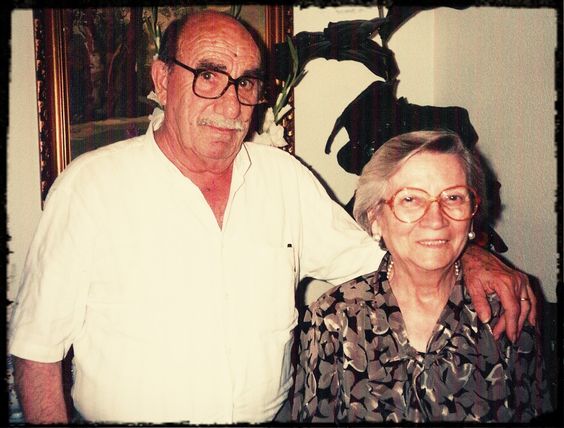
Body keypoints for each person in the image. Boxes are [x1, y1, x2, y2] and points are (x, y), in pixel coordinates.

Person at [9, 11, 534, 425]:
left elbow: (383, 254)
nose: (231, 105)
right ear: (162, 78)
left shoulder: (283, 179)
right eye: (208, 76)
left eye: (246, 83)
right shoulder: (91, 187)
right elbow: (36, 349)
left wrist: (471, 254)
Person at [292, 130, 550, 423]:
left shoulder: (508, 308)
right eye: (411, 199)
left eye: (453, 197)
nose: (436, 219)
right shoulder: (332, 319)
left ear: (471, 216)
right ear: (376, 219)